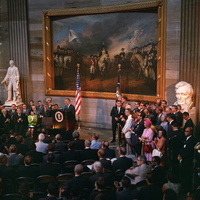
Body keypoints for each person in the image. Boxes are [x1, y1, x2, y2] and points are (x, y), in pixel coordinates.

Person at [177, 127, 196, 193]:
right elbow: (183, 148)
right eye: (185, 131)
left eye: (187, 131)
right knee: (183, 174)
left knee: (186, 175)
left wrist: (182, 156)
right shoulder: (186, 139)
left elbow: (189, 151)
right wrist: (179, 154)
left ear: (190, 132)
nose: (185, 132)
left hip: (187, 161)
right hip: (183, 160)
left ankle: (187, 189)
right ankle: (184, 186)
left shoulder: (192, 140)